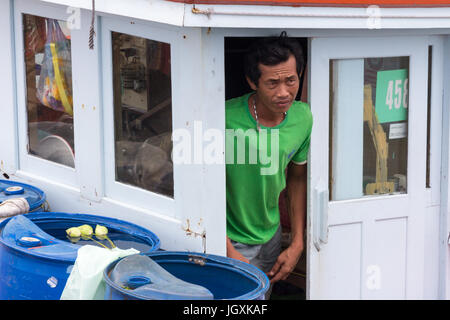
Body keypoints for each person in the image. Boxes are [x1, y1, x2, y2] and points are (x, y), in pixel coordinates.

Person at [225, 33, 312, 295]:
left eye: (291, 80)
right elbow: (199, 188)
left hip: (271, 237)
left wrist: (297, 242)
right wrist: (226, 250)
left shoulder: (303, 118)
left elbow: (297, 177)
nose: (284, 92)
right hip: (231, 238)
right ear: (253, 81)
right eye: (272, 83)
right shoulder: (222, 119)